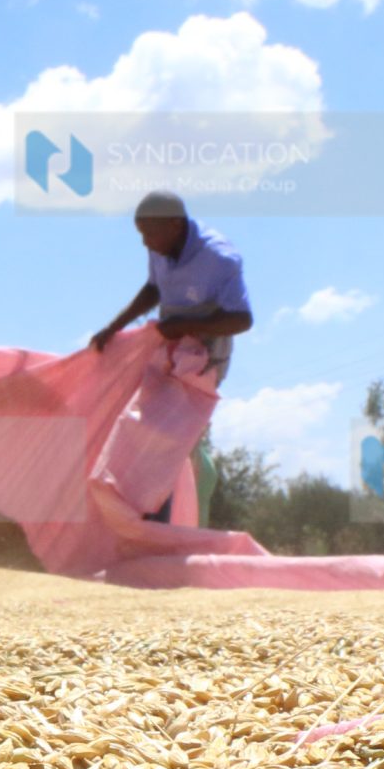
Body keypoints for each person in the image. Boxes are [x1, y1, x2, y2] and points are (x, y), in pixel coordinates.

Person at [88, 190, 253, 522]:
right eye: (140, 234)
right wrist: (114, 327)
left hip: (203, 359)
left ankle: (155, 526)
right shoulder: (161, 249)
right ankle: (145, 518)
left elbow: (242, 319)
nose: (145, 243)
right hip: (168, 348)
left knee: (164, 439)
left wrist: (188, 324)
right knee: (143, 428)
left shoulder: (219, 258)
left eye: (149, 233)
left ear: (175, 225)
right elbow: (154, 288)